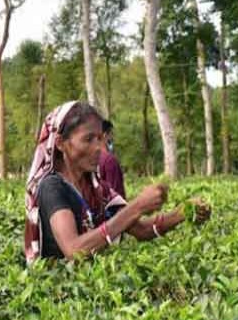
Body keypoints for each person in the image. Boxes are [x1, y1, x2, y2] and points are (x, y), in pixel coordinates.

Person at [24, 101, 210, 263]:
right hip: (60, 295)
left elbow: (141, 230)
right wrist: (137, 206)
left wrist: (182, 212)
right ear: (60, 143)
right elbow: (74, 250)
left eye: (99, 138)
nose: (98, 148)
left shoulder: (96, 188)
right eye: (88, 139)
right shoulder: (52, 187)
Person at [98, 120, 126, 198]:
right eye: (111, 134)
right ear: (105, 135)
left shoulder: (88, 160)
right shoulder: (109, 160)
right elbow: (116, 194)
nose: (112, 138)